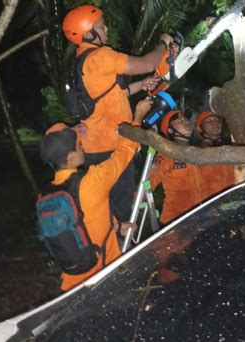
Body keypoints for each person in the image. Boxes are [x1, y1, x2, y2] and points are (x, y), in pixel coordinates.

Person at [62, 4, 174, 222]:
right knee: (122, 213)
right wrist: (163, 43)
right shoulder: (100, 57)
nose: (107, 31)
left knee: (104, 209)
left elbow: (107, 95)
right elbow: (148, 62)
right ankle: (121, 249)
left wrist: (140, 85)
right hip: (111, 145)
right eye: (102, 27)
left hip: (93, 145)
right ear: (88, 33)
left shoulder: (81, 59)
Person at [40, 99, 152, 292]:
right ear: (70, 157)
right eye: (78, 145)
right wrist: (138, 117)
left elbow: (81, 223)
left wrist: (116, 228)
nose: (82, 146)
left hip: (71, 282)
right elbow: (124, 153)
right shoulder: (92, 182)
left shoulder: (47, 192)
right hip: (103, 277)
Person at [192, 111, 236, 198]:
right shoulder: (196, 153)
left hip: (236, 196)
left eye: (217, 120)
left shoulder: (231, 147)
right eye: (209, 121)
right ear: (199, 128)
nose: (215, 123)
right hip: (212, 202)